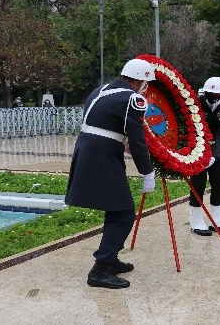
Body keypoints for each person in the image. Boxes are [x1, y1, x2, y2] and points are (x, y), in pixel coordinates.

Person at [65, 58, 156, 289]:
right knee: (124, 213)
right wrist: (147, 172)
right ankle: (101, 268)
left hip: (90, 149)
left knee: (116, 208)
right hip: (101, 155)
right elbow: (137, 141)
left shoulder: (102, 89)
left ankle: (110, 258)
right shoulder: (133, 99)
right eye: (146, 82)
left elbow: (103, 122)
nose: (146, 87)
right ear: (138, 80)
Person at [189, 77, 220, 236]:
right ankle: (195, 221)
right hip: (197, 151)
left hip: (217, 152)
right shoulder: (195, 104)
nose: (213, 96)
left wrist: (214, 156)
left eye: (217, 93)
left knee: (218, 183)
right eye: (211, 93)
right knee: (198, 185)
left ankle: (217, 219)